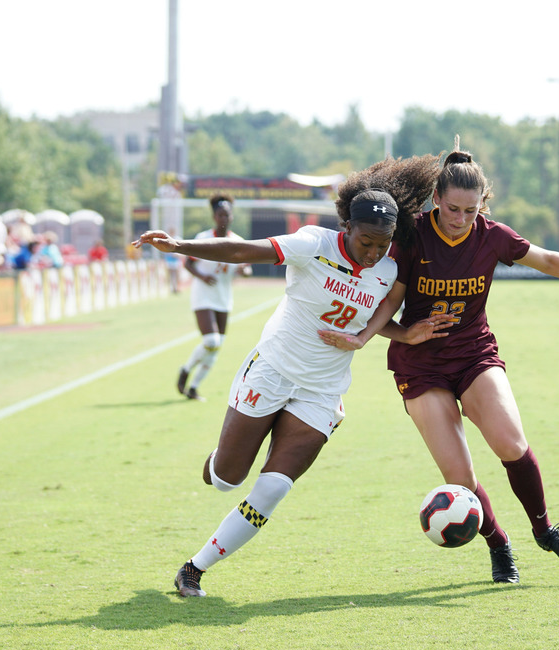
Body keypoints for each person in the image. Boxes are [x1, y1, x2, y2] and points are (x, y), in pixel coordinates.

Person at [320, 137, 559, 584]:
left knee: (511, 443)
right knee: (459, 475)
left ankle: (545, 530)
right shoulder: (411, 236)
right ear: (436, 199)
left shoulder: (493, 238)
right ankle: (499, 544)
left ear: (482, 207)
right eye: (453, 209)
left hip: (474, 355)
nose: (460, 220)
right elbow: (388, 300)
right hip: (419, 364)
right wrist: (363, 337)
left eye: (471, 211)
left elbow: (545, 259)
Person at [132, 155, 451, 598]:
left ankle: (194, 569)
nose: (374, 252)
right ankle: (222, 455)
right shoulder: (313, 243)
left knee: (274, 488)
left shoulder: (390, 271)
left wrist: (406, 334)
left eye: (383, 243)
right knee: (226, 477)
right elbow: (246, 250)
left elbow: (373, 318)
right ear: (347, 228)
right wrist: (180, 245)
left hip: (322, 392)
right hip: (273, 371)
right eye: (366, 242)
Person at [175, 193, 252, 401]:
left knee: (217, 347)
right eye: (220, 214)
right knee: (211, 340)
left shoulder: (237, 242)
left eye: (227, 214)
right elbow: (188, 263)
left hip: (224, 298)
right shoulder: (203, 239)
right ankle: (186, 369)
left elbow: (245, 268)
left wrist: (244, 271)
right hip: (203, 296)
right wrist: (202, 276)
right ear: (214, 217)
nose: (224, 218)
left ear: (232, 217)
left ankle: (194, 387)